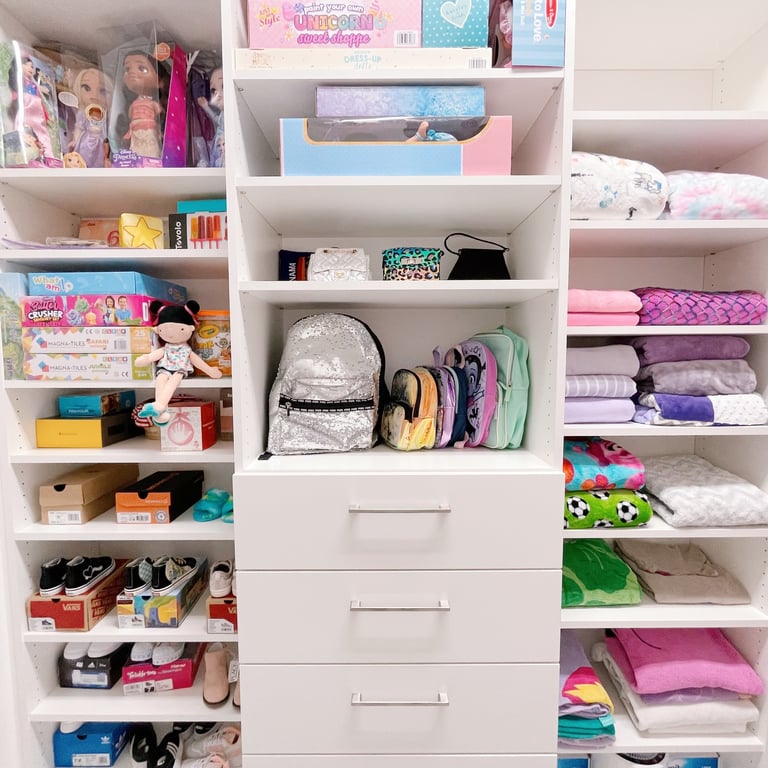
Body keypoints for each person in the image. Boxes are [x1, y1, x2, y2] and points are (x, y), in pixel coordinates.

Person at [136, 300, 223, 425]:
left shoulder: (186, 349)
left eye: (181, 329)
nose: (171, 334)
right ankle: (161, 412)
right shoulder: (166, 348)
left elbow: (197, 361)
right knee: (160, 380)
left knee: (173, 382)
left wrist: (210, 371)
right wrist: (147, 358)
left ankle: (159, 406)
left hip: (180, 369)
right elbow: (156, 354)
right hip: (164, 367)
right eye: (164, 329)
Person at [7, 54, 56, 162]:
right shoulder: (20, 83)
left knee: (42, 133)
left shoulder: (34, 85)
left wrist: (47, 116)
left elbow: (41, 103)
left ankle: (47, 156)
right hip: (26, 113)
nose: (31, 68)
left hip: (38, 115)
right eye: (27, 65)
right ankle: (26, 155)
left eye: (32, 67)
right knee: (25, 133)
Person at [121, 51, 163, 158]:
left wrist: (159, 129)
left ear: (159, 81)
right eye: (127, 69)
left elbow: (159, 113)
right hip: (135, 130)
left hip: (150, 130)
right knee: (136, 148)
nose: (131, 73)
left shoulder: (153, 103)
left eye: (142, 69)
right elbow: (130, 115)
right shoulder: (133, 104)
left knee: (150, 148)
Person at [69, 67, 113, 167]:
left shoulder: (104, 113)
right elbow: (79, 127)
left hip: (101, 141)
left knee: (99, 158)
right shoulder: (82, 113)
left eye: (102, 91)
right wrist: (74, 140)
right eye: (86, 88)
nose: (94, 95)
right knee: (84, 154)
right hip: (86, 140)